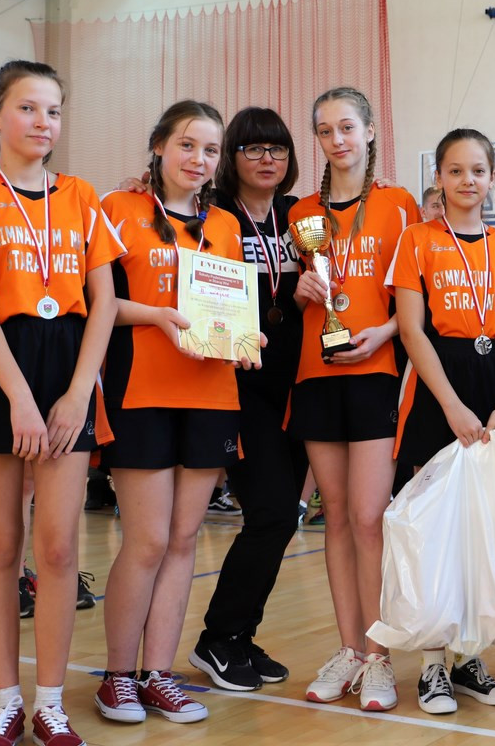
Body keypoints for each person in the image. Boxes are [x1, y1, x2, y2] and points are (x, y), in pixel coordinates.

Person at [0, 60, 123, 746]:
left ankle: (50, 702)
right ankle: (6, 701)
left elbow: (104, 303)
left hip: (67, 369)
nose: (44, 122)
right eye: (28, 108)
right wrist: (18, 396)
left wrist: (76, 393)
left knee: (59, 546)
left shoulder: (81, 196)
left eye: (54, 111)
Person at [94, 100, 259, 726]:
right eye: (187, 145)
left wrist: (245, 340)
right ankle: (117, 677)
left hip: (212, 392)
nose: (199, 159)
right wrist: (159, 317)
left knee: (185, 539)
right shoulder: (118, 208)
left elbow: (230, 307)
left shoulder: (226, 224)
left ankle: (158, 674)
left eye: (211, 150)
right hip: (142, 392)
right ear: (160, 144)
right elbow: (97, 304)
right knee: (148, 540)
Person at [391, 127, 495, 715]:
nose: (467, 180)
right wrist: (451, 405)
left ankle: (470, 658)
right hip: (439, 390)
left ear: (493, 178)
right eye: (455, 170)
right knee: (436, 531)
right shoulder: (417, 239)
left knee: (484, 533)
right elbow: (411, 329)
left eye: (478, 170)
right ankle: (432, 665)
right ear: (439, 178)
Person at [288, 87, 420, 712]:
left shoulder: (398, 204)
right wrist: (301, 292)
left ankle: (379, 658)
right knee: (335, 517)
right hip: (317, 373)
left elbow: (416, 298)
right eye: (324, 130)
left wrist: (385, 333)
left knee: (370, 518)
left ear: (369, 130)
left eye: (346, 127)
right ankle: (349, 649)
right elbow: (299, 295)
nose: (336, 139)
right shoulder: (302, 213)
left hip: (375, 371)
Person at [185, 106, 310, 692]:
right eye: (253, 148)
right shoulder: (213, 216)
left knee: (280, 520)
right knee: (273, 512)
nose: (267, 159)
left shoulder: (298, 217)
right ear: (231, 157)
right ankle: (217, 637)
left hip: (295, 385)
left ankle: (238, 636)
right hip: (237, 385)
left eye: (277, 149)